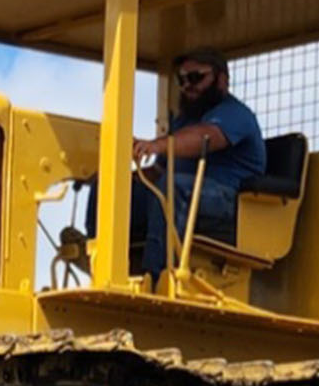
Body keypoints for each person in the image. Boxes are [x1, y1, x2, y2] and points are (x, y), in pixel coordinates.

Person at [84, 47, 266, 281]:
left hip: (232, 202)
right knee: (109, 186)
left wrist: (158, 145)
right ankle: (100, 263)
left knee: (173, 187)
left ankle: (158, 275)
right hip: (185, 192)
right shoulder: (184, 122)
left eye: (196, 77)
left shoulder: (235, 114)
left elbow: (205, 137)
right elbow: (159, 169)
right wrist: (120, 177)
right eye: (182, 79)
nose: (187, 85)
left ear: (222, 79)